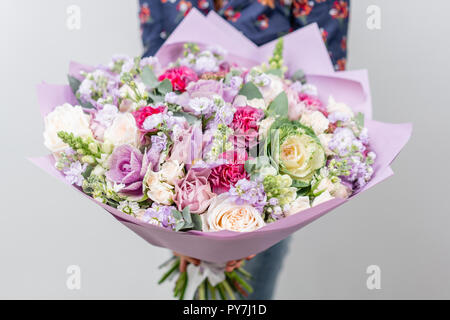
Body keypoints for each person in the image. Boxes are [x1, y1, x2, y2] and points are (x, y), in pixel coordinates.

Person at [138, 0, 350, 299]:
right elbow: (155, 49)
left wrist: (259, 228)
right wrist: (172, 218)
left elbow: (324, 66)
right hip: (177, 162)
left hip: (268, 167)